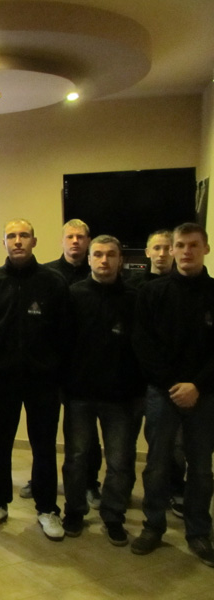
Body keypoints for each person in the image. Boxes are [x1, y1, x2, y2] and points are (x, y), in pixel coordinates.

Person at [0, 219, 70, 541]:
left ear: (34, 241)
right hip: (1, 379)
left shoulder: (53, 282)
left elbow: (64, 332)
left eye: (24, 236)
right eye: (12, 236)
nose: (18, 241)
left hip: (43, 380)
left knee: (43, 445)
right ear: (4, 242)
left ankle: (47, 508)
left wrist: (54, 368)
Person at [131, 223, 214, 567]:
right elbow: (142, 344)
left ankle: (199, 531)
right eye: (180, 245)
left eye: (193, 245)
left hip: (205, 395)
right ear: (173, 249)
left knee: (201, 468)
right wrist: (172, 385)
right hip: (162, 393)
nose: (186, 251)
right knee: (157, 464)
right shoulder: (153, 292)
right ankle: (153, 526)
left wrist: (197, 386)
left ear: (205, 248)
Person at [61, 235, 142, 546]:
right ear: (89, 259)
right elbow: (62, 343)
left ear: (120, 259)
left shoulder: (134, 298)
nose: (104, 260)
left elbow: (141, 346)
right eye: (98, 254)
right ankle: (74, 511)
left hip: (121, 396)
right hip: (80, 394)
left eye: (110, 255)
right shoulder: (74, 295)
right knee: (76, 458)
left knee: (120, 461)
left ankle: (113, 515)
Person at [42, 218, 101, 509]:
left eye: (80, 237)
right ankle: (42, 481)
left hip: (88, 366)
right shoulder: (47, 274)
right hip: (53, 366)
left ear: (88, 241)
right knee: (46, 431)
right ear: (62, 240)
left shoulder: (99, 272)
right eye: (70, 236)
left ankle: (90, 483)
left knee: (88, 435)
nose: (75, 241)